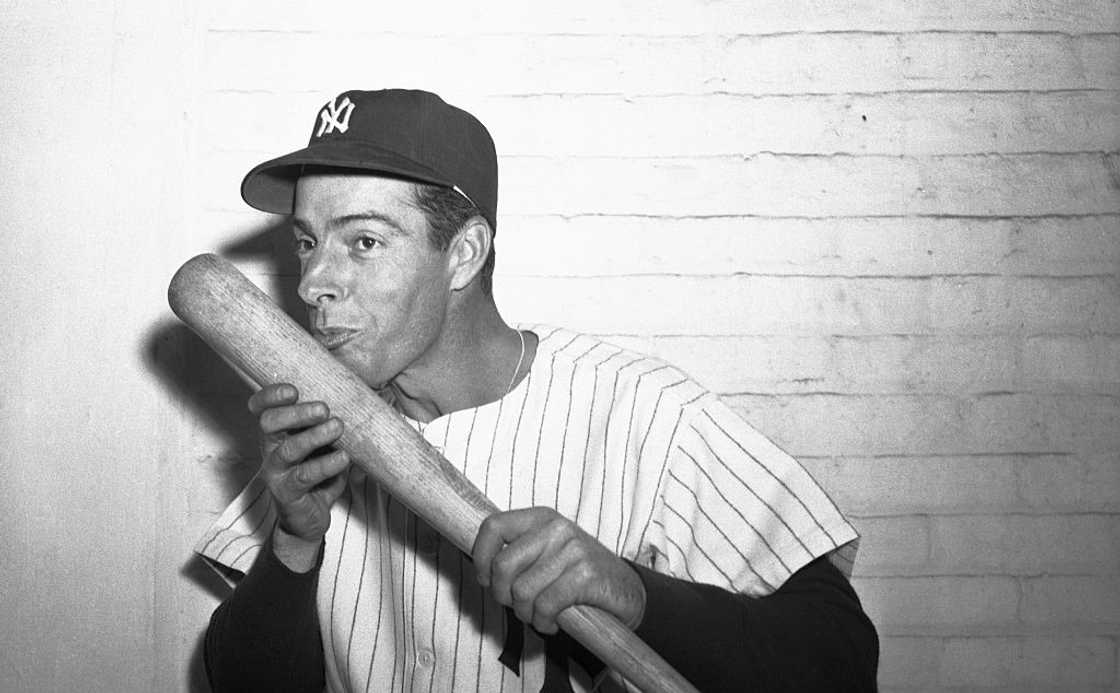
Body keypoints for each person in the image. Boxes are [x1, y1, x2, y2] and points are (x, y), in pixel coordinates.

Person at [196, 89, 879, 692]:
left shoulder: (644, 413)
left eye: (365, 241)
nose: (315, 280)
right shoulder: (318, 422)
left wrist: (637, 595)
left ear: (463, 253)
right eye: (308, 242)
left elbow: (840, 659)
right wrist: (294, 539)